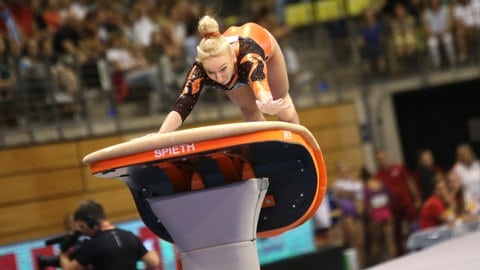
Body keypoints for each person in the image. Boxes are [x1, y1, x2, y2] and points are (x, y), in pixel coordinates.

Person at [157, 15, 299, 133]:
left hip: (263, 46)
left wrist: (266, 101)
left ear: (232, 57)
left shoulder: (248, 56)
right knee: (249, 110)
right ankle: (264, 154)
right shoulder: (200, 69)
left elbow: (259, 84)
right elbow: (184, 103)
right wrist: (161, 134)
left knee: (281, 101)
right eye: (211, 73)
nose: (219, 78)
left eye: (223, 69)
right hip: (236, 64)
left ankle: (297, 150)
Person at [59, 199, 160, 270]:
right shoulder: (130, 236)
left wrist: (63, 255)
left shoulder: (91, 245)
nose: (83, 232)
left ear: (91, 222)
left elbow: (69, 268)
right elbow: (154, 261)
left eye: (82, 227)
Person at [374, 149, 422, 256]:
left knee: (414, 226)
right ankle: (401, 254)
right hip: (392, 208)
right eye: (379, 159)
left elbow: (410, 182)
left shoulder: (399, 168)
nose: (382, 161)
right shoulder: (378, 176)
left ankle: (419, 247)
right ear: (377, 161)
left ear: (387, 157)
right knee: (396, 233)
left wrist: (417, 198)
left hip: (406, 203)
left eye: (383, 158)